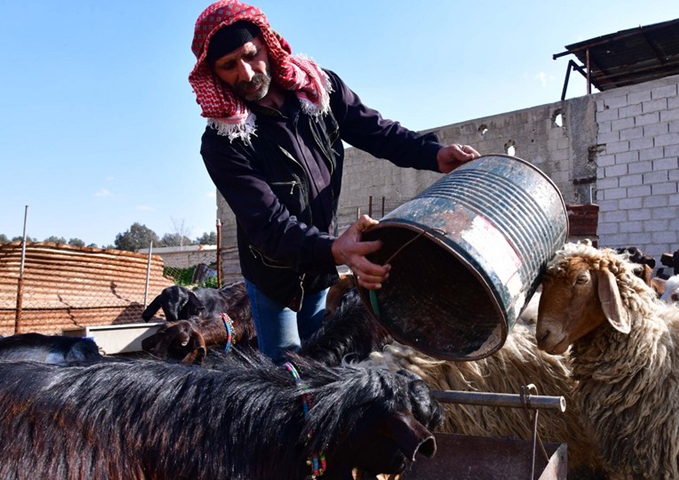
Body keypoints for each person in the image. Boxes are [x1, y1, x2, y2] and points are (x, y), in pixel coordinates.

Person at [189, 0, 480, 364]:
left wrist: (432, 154)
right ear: (213, 74)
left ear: (267, 44)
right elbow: (269, 225)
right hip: (274, 277)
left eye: (251, 55)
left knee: (319, 365)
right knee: (287, 374)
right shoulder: (222, 142)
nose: (246, 74)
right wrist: (337, 250)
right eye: (228, 66)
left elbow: (377, 132)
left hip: (319, 266)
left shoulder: (318, 90)